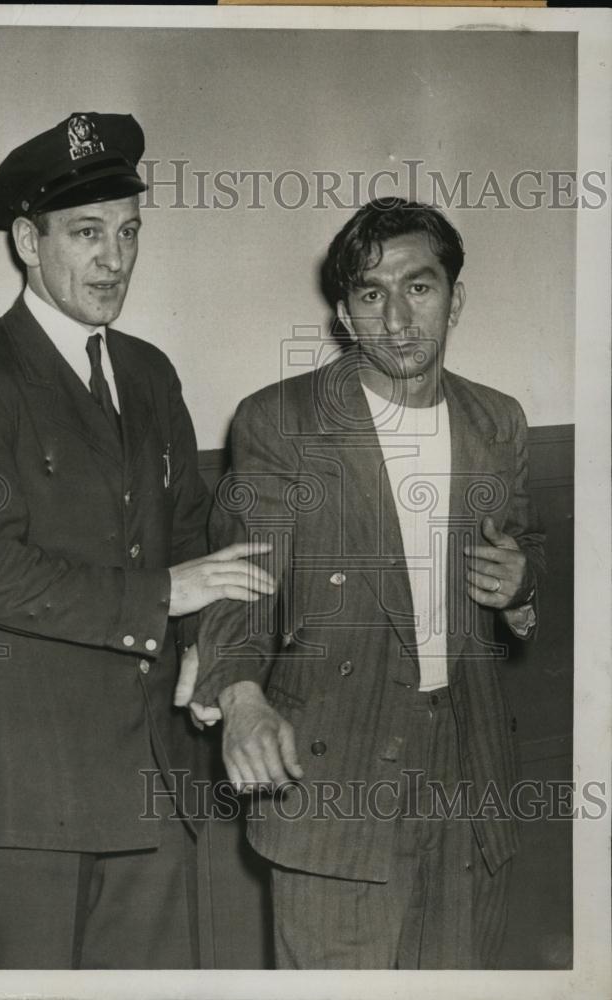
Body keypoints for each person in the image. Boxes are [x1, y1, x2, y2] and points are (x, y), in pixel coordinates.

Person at [0, 111, 274, 970]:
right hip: (15, 795)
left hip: (149, 780)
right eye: (86, 233)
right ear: (27, 242)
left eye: (128, 232)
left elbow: (194, 539)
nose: (114, 259)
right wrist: (164, 597)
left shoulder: (148, 372)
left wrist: (209, 656)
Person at [185, 199, 545, 969]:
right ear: (345, 315)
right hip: (336, 770)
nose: (397, 318)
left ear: (454, 298)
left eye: (419, 287)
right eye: (371, 294)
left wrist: (521, 588)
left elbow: (526, 549)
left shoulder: (498, 421)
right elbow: (240, 580)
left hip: (469, 768)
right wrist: (240, 697)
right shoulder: (280, 422)